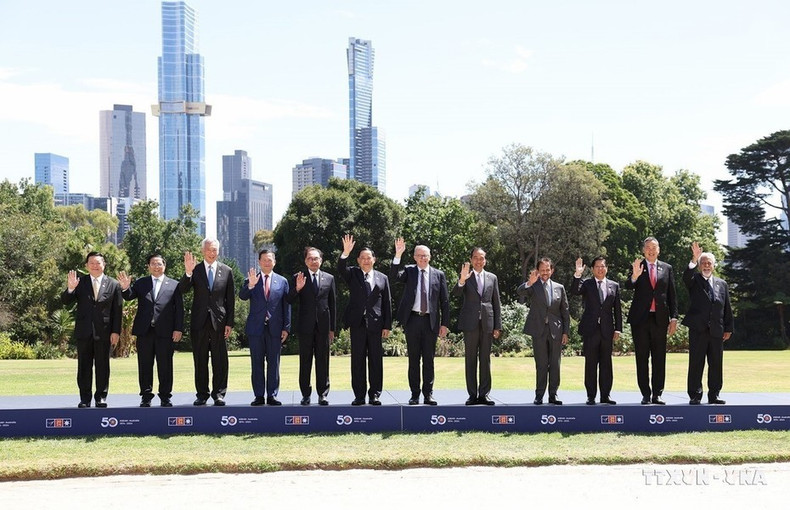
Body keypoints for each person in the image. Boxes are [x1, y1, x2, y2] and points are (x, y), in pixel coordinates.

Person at [118, 254, 184, 407]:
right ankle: (146, 396)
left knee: (165, 365)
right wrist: (125, 287)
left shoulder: (174, 285)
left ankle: (165, 396)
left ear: (164, 266)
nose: (156, 266)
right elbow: (129, 296)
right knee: (145, 364)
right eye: (153, 264)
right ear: (148, 266)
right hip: (145, 331)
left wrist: (178, 329)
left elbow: (179, 310)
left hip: (166, 332)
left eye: (159, 264)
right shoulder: (141, 283)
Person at [390, 238, 450, 405]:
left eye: (426, 255)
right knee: (414, 360)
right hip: (413, 320)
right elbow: (393, 277)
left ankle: (428, 394)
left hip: (431, 322)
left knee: (429, 360)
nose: (423, 258)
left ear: (430, 257)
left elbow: (444, 301)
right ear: (415, 257)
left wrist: (444, 324)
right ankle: (415, 394)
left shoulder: (439, 275)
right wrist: (398, 255)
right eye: (420, 255)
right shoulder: (409, 271)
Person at [61, 252, 123, 408]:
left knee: (103, 366)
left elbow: (117, 310)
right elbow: (66, 301)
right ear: (86, 266)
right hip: (84, 331)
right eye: (92, 263)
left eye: (98, 263)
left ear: (104, 265)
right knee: (84, 366)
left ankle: (101, 397)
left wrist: (116, 331)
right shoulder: (79, 282)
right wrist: (70, 288)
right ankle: (85, 399)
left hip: (105, 332)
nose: (95, 266)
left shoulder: (113, 284)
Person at [179, 238, 235, 407]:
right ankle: (202, 394)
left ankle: (219, 394)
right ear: (203, 251)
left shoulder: (227, 271)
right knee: (200, 360)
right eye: (209, 250)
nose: (212, 253)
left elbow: (230, 299)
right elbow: (182, 290)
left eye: (215, 250)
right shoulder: (194, 270)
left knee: (220, 360)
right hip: (199, 321)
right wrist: (187, 273)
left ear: (218, 251)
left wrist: (229, 323)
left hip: (219, 322)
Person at [338, 234, 392, 406]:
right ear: (358, 260)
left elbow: (387, 302)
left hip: (376, 325)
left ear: (374, 259)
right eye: (362, 258)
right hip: (358, 324)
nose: (366, 261)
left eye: (369, 258)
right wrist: (345, 253)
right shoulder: (353, 274)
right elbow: (341, 268)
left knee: (376, 360)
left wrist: (387, 325)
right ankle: (359, 395)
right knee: (358, 361)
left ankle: (375, 394)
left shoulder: (382, 278)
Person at [624, 236, 678, 405]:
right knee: (641, 357)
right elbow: (628, 285)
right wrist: (634, 276)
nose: (651, 250)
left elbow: (672, 295)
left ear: (659, 250)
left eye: (654, 247)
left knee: (659, 358)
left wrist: (674, 317)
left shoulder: (667, 268)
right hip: (640, 319)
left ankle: (657, 394)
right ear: (643, 250)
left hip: (660, 319)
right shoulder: (638, 266)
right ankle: (645, 394)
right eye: (648, 247)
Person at [682, 242, 733, 405]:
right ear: (699, 265)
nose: (706, 265)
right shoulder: (694, 280)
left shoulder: (722, 284)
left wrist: (728, 328)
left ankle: (714, 394)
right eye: (703, 263)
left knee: (716, 364)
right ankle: (695, 395)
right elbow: (686, 277)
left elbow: (727, 307)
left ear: (713, 266)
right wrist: (694, 259)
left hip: (717, 331)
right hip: (698, 330)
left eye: (709, 263)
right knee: (696, 363)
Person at [240, 249, 291, 406]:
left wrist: (286, 327)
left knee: (274, 363)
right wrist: (250, 285)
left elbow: (286, 305)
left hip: (275, 329)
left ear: (274, 262)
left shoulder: (282, 281)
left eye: (270, 260)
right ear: (259, 262)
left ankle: (272, 395)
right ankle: (259, 396)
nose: (267, 263)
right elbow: (242, 296)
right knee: (256, 363)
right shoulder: (251, 279)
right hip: (256, 329)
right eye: (264, 260)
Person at [517, 258, 569, 405]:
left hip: (556, 331)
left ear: (552, 270)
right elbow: (520, 291)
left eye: (547, 270)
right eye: (542, 270)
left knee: (555, 364)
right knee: (541, 364)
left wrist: (565, 332)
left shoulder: (559, 288)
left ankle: (553, 395)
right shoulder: (534, 286)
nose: (545, 273)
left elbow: (565, 312)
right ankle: (539, 395)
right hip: (538, 330)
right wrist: (529, 283)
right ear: (538, 271)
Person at [287, 247, 336, 406]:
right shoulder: (298, 277)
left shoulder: (329, 278)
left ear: (321, 260)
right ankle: (305, 395)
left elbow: (332, 305)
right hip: (305, 327)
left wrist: (332, 329)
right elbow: (288, 299)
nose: (313, 261)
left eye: (316, 258)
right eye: (310, 258)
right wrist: (297, 289)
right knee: (305, 361)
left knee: (323, 361)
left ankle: (323, 394)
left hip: (323, 327)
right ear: (305, 260)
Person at [453, 247, 501, 405]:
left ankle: (484, 394)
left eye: (481, 258)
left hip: (488, 323)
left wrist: (497, 326)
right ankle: (472, 395)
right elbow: (456, 294)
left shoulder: (492, 277)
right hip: (470, 323)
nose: (478, 261)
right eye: (475, 258)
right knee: (471, 360)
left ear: (485, 260)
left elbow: (496, 303)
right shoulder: (466, 276)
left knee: (485, 360)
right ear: (471, 259)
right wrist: (461, 280)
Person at [571, 256, 622, 405]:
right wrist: (578, 274)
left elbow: (617, 310)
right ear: (593, 269)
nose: (600, 269)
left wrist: (618, 328)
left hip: (607, 330)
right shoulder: (587, 284)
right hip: (590, 330)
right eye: (597, 266)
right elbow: (575, 291)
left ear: (607, 268)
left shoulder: (614, 285)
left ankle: (605, 395)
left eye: (603, 266)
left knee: (606, 364)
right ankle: (591, 396)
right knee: (591, 363)